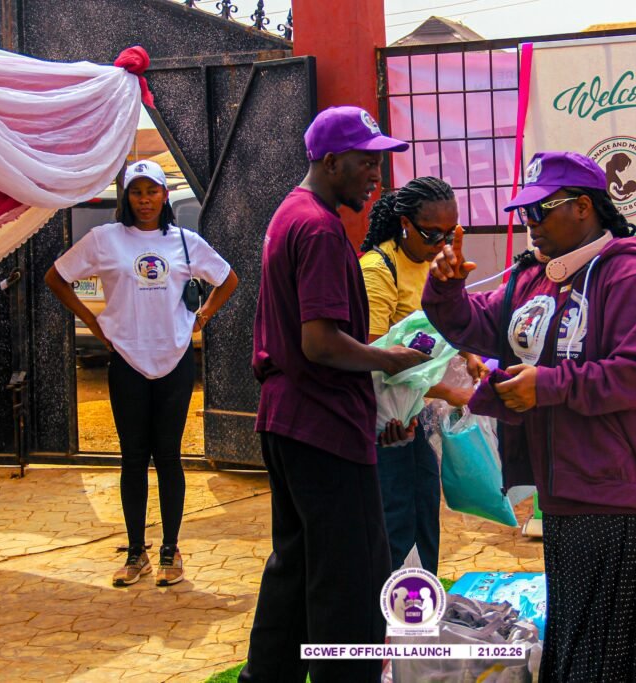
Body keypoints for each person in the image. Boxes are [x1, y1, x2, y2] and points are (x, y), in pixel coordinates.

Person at [422, 151, 636, 681]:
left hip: (615, 486)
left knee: (609, 646)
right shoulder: (536, 279)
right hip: (561, 485)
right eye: (525, 214)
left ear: (583, 207)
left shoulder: (632, 277)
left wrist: (548, 386)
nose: (531, 225)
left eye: (540, 211)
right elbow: (475, 324)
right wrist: (447, 289)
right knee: (581, 631)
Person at [241, 105, 427, 683]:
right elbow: (320, 343)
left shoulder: (290, 213)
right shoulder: (320, 229)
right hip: (322, 425)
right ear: (329, 161)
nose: (376, 176)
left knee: (296, 568)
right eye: (366, 162)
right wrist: (391, 360)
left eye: (379, 162)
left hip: (289, 421)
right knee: (350, 577)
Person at [45, 160, 238, 587]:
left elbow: (228, 279)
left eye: (152, 191)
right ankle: (136, 553)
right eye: (137, 192)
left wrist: (203, 316)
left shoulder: (184, 241)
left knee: (168, 457)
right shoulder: (104, 239)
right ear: (126, 197)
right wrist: (93, 321)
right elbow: (56, 277)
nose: (145, 200)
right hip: (127, 361)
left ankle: (171, 550)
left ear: (164, 196)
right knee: (133, 458)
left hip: (174, 360)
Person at [360, 176, 487, 575]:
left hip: (417, 414)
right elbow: (375, 360)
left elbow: (442, 320)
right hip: (387, 422)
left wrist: (469, 354)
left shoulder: (435, 263)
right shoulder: (377, 270)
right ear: (405, 224)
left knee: (423, 516)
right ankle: (392, 607)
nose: (442, 244)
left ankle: (422, 600)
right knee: (396, 523)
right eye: (432, 234)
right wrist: (450, 392)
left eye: (450, 233)